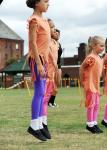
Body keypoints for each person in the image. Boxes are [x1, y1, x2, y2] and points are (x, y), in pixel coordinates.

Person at [26, 0, 50, 141]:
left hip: (44, 59)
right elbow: (32, 42)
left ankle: (40, 124)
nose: (48, 3)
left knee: (42, 92)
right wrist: (39, 64)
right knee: (39, 92)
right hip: (37, 59)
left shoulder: (44, 20)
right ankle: (34, 125)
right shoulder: (34, 20)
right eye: (45, 1)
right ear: (36, 3)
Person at [79, 36, 104, 134]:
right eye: (101, 46)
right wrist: (82, 80)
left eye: (103, 46)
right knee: (91, 105)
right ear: (93, 46)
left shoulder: (99, 57)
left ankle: (94, 123)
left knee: (96, 105)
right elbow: (82, 68)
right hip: (89, 85)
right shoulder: (91, 58)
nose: (103, 48)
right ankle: (90, 124)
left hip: (96, 85)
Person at [41, 18, 59, 139]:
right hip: (46, 75)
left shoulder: (55, 43)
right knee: (43, 99)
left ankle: (44, 121)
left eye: (54, 27)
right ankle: (42, 122)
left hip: (52, 75)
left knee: (47, 99)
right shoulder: (46, 41)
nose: (54, 29)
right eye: (51, 27)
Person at [48, 29, 63, 107]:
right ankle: (48, 101)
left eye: (58, 34)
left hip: (58, 65)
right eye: (55, 33)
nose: (57, 35)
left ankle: (52, 101)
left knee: (57, 84)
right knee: (51, 84)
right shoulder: (50, 42)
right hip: (51, 65)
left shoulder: (58, 44)